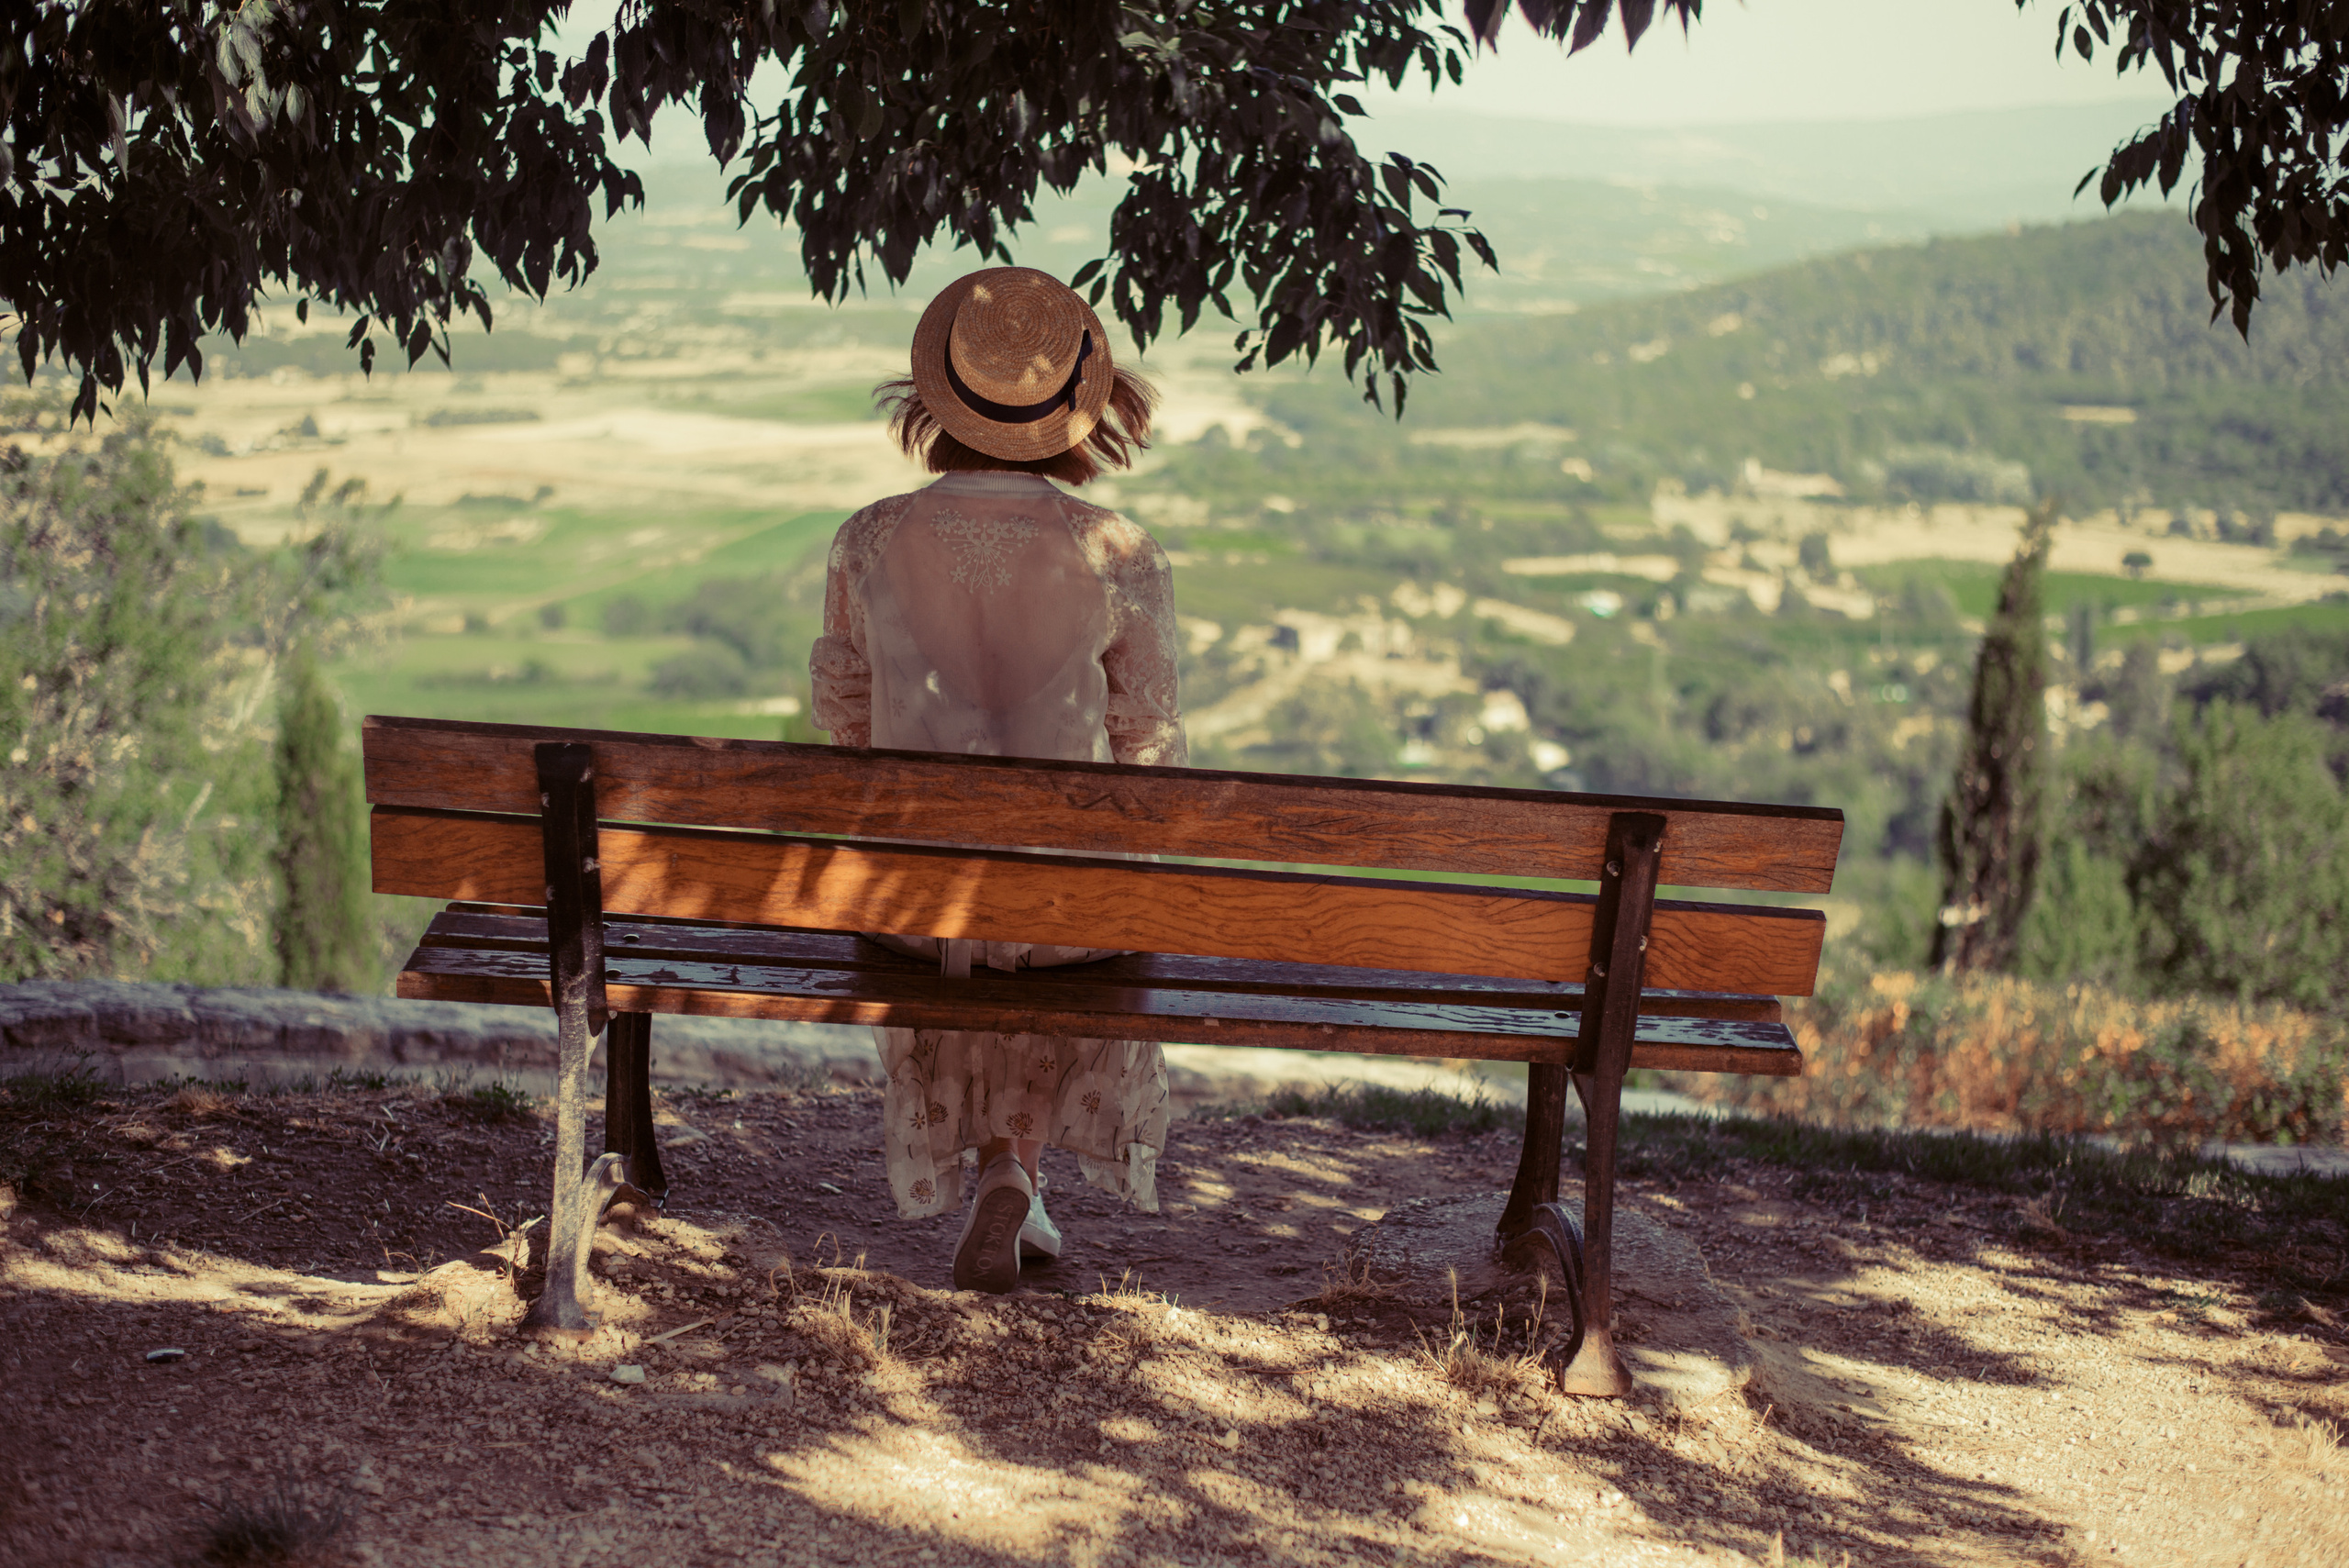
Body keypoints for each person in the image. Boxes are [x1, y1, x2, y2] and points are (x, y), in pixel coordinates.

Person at [807, 267, 1186, 1293]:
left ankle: (1004, 1177)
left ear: (940, 397)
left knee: (963, 909)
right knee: (1047, 901)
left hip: (911, 907)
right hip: (1066, 913)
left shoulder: (870, 538)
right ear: (1078, 408)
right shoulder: (1116, 550)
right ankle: (1014, 1174)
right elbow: (1149, 740)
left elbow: (844, 723)